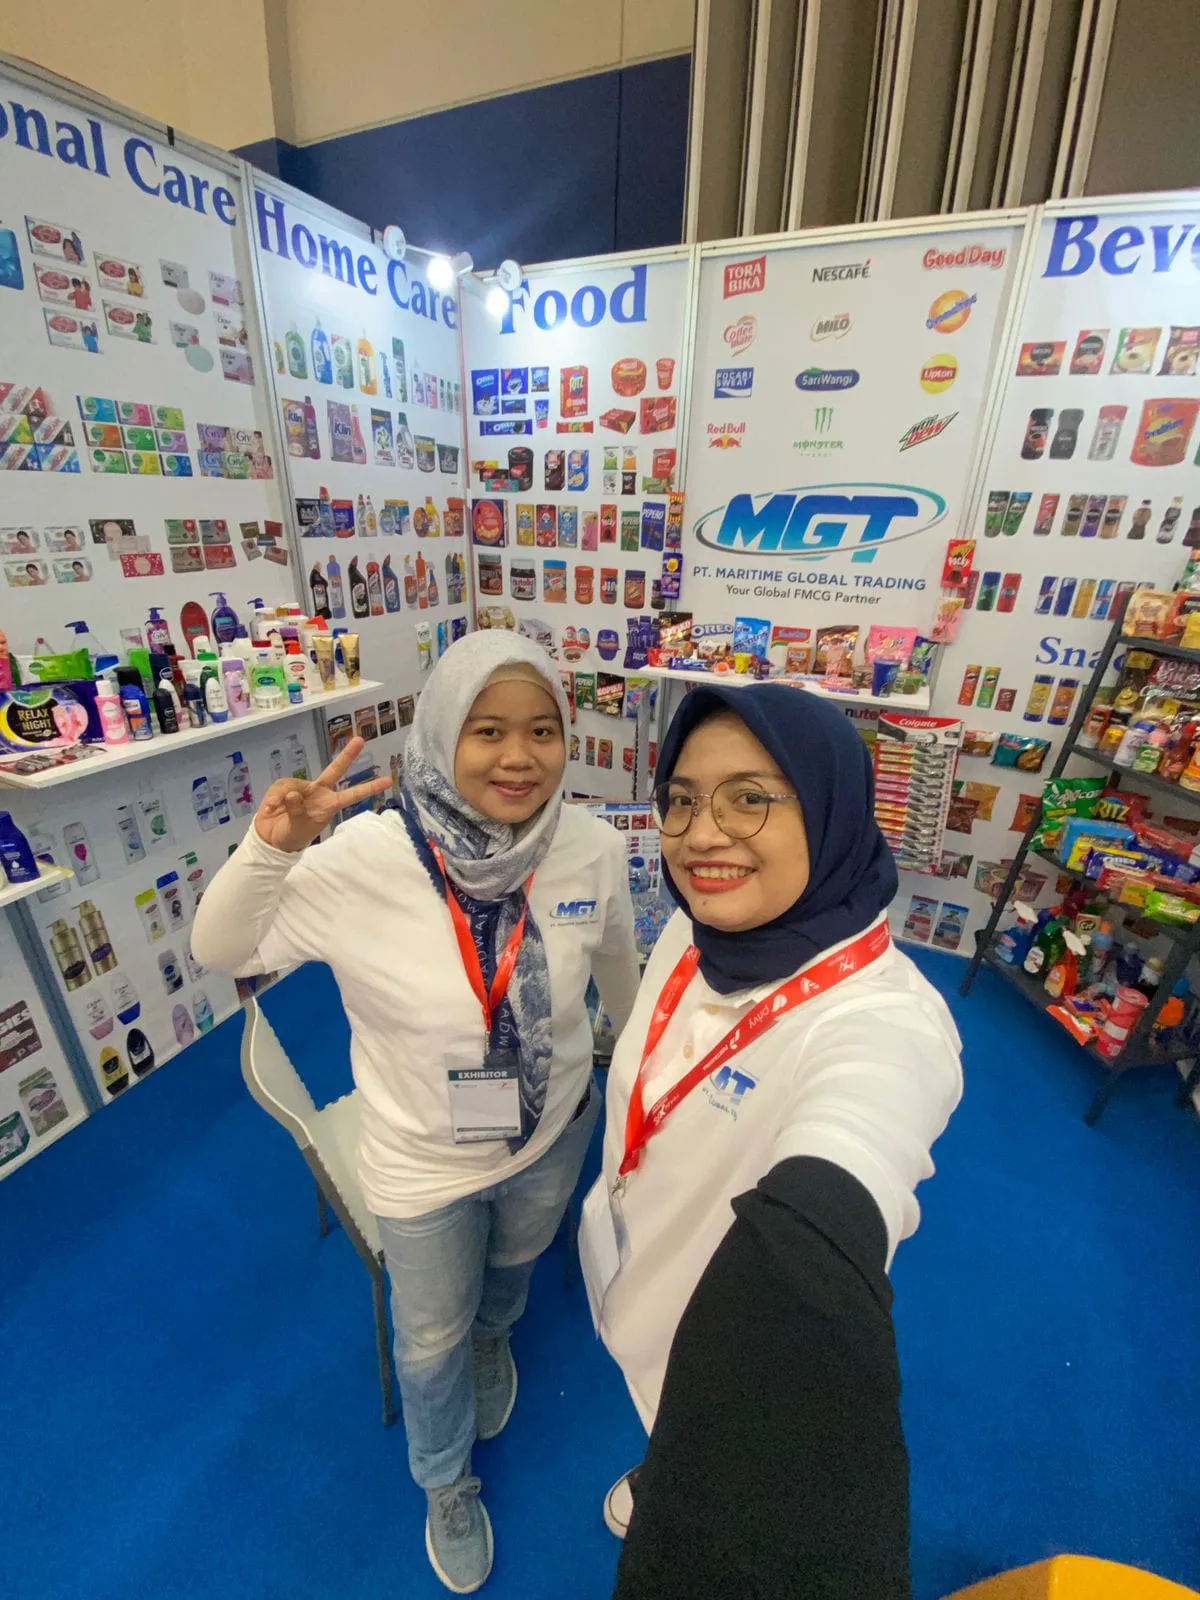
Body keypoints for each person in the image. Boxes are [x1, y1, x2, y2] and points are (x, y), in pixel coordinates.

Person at [193, 632, 639, 1594]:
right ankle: (446, 1484)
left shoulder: (591, 846)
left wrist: (642, 1078)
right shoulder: (365, 857)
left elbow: (617, 972)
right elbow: (220, 950)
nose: (519, 757)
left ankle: (495, 1341)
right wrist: (270, 849)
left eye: (543, 730)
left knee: (512, 1273)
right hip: (421, 1162)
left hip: (550, 1130)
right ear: (440, 732)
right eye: (487, 730)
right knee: (429, 1342)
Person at [579, 683, 963, 1599]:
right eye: (681, 798)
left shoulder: (884, 1023)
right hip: (632, 1262)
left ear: (830, 810)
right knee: (653, 1401)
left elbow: (841, 1183)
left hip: (720, 1336)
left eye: (749, 797)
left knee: (688, 1419)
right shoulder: (697, 927)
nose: (701, 835)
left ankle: (669, 1469)